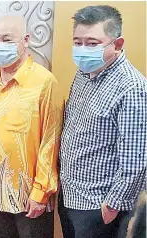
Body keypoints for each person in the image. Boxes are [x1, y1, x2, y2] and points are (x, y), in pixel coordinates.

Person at [58, 5, 147, 238]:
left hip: (99, 205)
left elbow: (135, 160)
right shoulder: (84, 72)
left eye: (92, 43)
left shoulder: (132, 88)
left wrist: (112, 204)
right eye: (77, 42)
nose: (82, 50)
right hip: (70, 194)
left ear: (117, 44)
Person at [0, 15, 64, 238]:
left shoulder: (44, 82)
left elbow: (51, 140)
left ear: (25, 40)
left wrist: (41, 191)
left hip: (29, 195)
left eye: (7, 39)